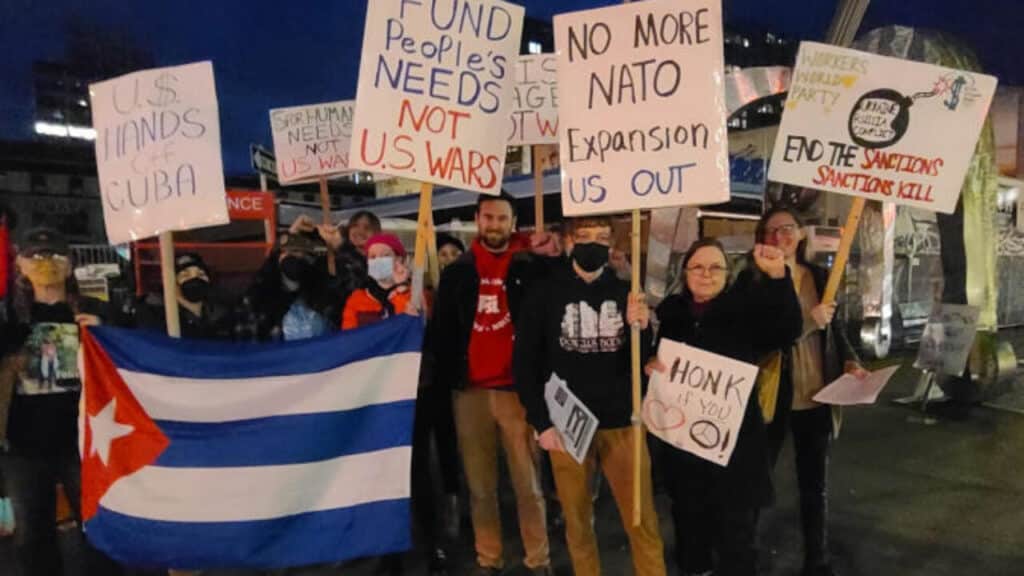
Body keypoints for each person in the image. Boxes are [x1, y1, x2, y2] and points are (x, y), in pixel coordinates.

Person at [515, 215, 667, 576]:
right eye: (584, 236)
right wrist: (541, 422)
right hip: (567, 426)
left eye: (601, 237)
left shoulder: (626, 292)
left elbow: (641, 360)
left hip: (623, 422)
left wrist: (643, 328)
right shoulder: (544, 293)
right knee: (577, 520)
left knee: (641, 518)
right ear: (569, 241)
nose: (593, 244)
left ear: (612, 245)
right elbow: (525, 363)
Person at [646, 238, 801, 576]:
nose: (706, 274)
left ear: (728, 274)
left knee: (736, 544)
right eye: (697, 267)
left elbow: (787, 330)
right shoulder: (672, 315)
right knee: (691, 540)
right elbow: (657, 360)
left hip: (735, 454)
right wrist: (650, 364)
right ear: (684, 273)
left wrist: (778, 277)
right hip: (684, 453)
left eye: (715, 266)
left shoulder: (745, 312)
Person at [433, 192, 560, 576]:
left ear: (513, 223)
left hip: (517, 392)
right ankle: (489, 558)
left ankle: (538, 560)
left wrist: (554, 255)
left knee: (528, 483)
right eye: (487, 217)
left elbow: (561, 296)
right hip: (469, 393)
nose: (493, 225)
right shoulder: (458, 272)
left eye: (501, 218)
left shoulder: (531, 266)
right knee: (481, 486)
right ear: (477, 218)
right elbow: (442, 334)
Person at [0, 227, 122, 576]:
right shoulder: (9, 317)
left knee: (97, 533)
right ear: (20, 264)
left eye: (54, 254)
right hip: (22, 445)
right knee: (32, 538)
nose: (45, 262)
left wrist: (104, 332)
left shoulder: (95, 309)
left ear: (69, 265)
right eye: (35, 255)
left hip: (86, 442)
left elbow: (128, 351)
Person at [755, 208, 866, 576]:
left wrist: (850, 362)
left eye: (787, 228)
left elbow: (836, 331)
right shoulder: (754, 283)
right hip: (772, 399)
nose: (780, 236)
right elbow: (762, 340)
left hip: (819, 395)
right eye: (771, 231)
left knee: (814, 486)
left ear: (800, 234)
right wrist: (808, 321)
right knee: (756, 481)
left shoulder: (822, 277)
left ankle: (817, 561)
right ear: (762, 239)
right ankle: (743, 555)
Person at [238, 230, 339, 342]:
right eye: (285, 252)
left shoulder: (318, 287)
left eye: (296, 251)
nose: (290, 256)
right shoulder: (260, 291)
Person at [135, 253, 235, 340]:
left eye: (201, 274)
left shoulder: (222, 316)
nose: (195, 279)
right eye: (185, 275)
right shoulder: (154, 315)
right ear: (171, 282)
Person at [340, 233, 415, 329]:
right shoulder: (356, 298)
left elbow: (410, 327)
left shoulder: (413, 293)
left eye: (385, 255)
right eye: (373, 257)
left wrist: (401, 287)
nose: (378, 260)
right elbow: (349, 336)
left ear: (398, 259)